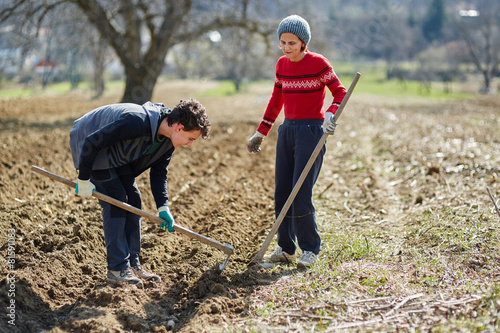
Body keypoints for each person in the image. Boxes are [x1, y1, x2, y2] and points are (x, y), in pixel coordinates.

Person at [70, 99, 211, 287]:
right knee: (116, 199)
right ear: (179, 128)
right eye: (191, 138)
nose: (190, 145)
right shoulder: (136, 121)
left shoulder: (167, 141)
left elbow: (159, 173)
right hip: (89, 142)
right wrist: (84, 178)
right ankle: (117, 268)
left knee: (134, 198)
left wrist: (163, 207)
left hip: (116, 154)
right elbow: (92, 141)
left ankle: (133, 264)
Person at [247, 15, 346, 268]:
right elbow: (275, 100)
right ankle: (285, 248)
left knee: (300, 192)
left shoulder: (318, 63)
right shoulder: (282, 65)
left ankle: (310, 249)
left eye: (292, 42)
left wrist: (331, 114)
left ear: (304, 43)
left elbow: (340, 92)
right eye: (283, 42)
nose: (287, 47)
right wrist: (261, 132)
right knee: (282, 192)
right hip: (287, 130)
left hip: (312, 131)